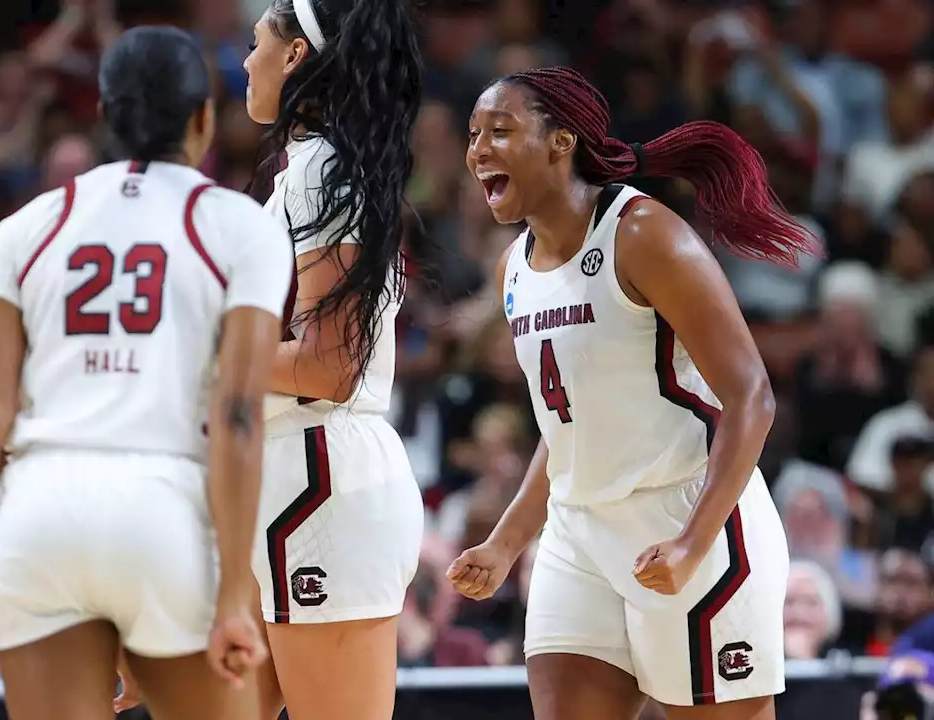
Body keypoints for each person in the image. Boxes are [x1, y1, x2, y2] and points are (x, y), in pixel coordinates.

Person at [0, 26, 294, 720]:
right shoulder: (242, 228)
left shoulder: (27, 226)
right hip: (164, 508)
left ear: (102, 115)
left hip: (38, 516)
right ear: (204, 120)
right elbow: (239, 414)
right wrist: (237, 596)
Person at [450, 66, 812, 719]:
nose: (477, 150)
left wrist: (692, 543)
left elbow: (751, 396)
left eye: (499, 131)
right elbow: (567, 434)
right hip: (578, 530)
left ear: (559, 142)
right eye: (473, 134)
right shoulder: (513, 268)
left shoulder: (643, 235)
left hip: (689, 513)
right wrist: (507, 541)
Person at [241, 0, 426, 717]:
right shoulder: (308, 172)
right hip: (286, 474)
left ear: (294, 59)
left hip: (319, 478)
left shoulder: (327, 173)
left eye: (257, 44)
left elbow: (328, 368)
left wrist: (211, 352)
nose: (246, 62)